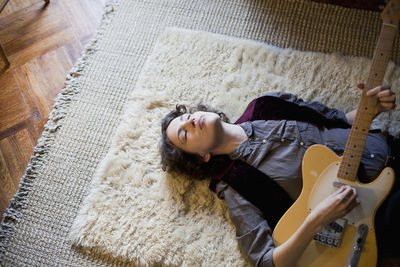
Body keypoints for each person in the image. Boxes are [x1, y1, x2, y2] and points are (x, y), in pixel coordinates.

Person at [159, 83, 398, 267]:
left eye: (185, 117)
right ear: (202, 157)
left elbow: (336, 120)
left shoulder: (266, 103)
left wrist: (372, 108)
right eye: (184, 134)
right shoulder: (236, 185)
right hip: (378, 209)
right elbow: (265, 261)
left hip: (390, 145)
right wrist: (317, 220)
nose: (190, 121)